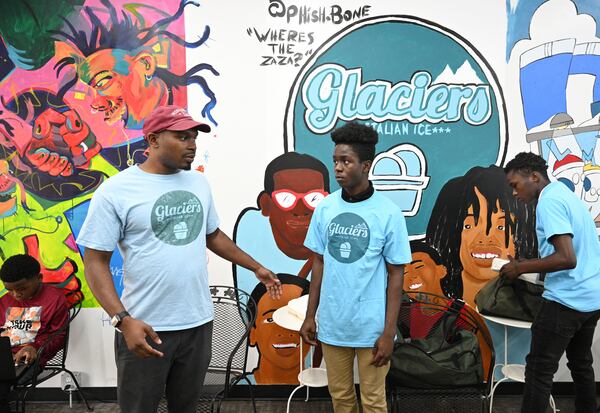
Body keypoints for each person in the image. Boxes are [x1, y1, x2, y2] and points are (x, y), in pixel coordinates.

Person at [77, 105, 282, 413]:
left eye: (194, 138)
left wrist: (256, 267)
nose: (192, 145)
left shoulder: (197, 183)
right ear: (153, 140)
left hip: (198, 322)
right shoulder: (116, 191)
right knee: (139, 408)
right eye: (182, 137)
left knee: (185, 407)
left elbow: (212, 235)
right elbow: (95, 261)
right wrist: (123, 320)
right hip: (145, 326)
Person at [300, 121, 411, 413]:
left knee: (374, 401)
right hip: (334, 324)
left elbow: (396, 275)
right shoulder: (325, 208)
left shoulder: (388, 213)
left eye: (346, 161)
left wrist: (389, 332)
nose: (338, 167)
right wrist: (311, 316)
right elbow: (319, 263)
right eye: (335, 160)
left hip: (371, 328)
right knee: (341, 398)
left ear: (366, 165)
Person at [502, 152, 600, 413]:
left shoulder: (549, 202)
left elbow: (567, 258)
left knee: (538, 371)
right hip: (591, 299)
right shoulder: (567, 196)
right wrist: (527, 263)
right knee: (581, 364)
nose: (514, 193)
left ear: (534, 177)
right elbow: (567, 251)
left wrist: (519, 267)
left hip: (567, 301)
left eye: (515, 185)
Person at [426, 165, 537, 306]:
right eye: (469, 225)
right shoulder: (439, 310)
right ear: (452, 235)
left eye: (501, 227)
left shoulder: (532, 307)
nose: (485, 238)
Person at [234, 152, 329, 296]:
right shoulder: (249, 229)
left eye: (314, 199)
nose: (301, 210)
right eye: (286, 198)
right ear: (265, 204)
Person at [0, 254, 69, 413]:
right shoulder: (4, 301)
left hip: (31, 359)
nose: (16, 295)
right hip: (5, 358)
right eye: (9, 290)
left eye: (21, 288)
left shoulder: (54, 299)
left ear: (39, 278)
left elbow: (59, 336)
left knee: (2, 385)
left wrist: (34, 348)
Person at [248, 274, 310, 384]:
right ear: (252, 333)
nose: (286, 332)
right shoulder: (247, 384)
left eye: (297, 316)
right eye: (270, 320)